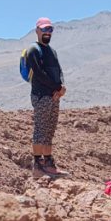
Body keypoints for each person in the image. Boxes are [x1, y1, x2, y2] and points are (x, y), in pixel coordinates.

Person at [24, 17, 66, 178]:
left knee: (50, 130)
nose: (47, 32)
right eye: (44, 29)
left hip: (54, 96)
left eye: (50, 29)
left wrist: (61, 88)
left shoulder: (52, 51)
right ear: (37, 31)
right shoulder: (33, 50)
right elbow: (39, 74)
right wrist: (57, 87)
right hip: (41, 96)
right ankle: (37, 165)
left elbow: (58, 71)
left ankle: (48, 163)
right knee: (40, 129)